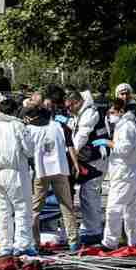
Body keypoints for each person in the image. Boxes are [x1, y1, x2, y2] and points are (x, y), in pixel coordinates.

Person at [0, 98, 36, 257]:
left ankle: (4, 246)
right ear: (14, 111)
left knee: (2, 210)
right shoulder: (18, 126)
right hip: (15, 171)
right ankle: (22, 245)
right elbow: (29, 150)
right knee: (22, 208)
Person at [24, 106, 80, 252]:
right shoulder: (60, 126)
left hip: (40, 171)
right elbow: (70, 145)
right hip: (60, 169)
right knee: (66, 206)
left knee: (35, 209)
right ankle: (73, 241)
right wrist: (76, 164)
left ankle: (34, 243)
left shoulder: (29, 129)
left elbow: (26, 152)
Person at [92, 99, 136, 250]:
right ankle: (135, 240)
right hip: (130, 173)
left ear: (121, 112)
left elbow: (124, 150)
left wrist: (107, 143)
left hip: (125, 174)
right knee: (131, 209)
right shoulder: (125, 125)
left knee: (114, 209)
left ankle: (110, 242)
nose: (110, 116)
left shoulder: (127, 127)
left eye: (112, 113)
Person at [65, 90, 107, 244]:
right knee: (86, 194)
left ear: (77, 102)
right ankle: (90, 226)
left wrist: (69, 153)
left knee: (90, 194)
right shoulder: (80, 113)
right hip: (88, 158)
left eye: (69, 107)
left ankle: (94, 231)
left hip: (95, 158)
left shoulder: (90, 114)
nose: (68, 110)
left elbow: (81, 137)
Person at [115, 83, 136, 161]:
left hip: (134, 153)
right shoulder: (113, 111)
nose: (125, 96)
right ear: (117, 95)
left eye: (127, 93)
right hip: (117, 152)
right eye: (122, 94)